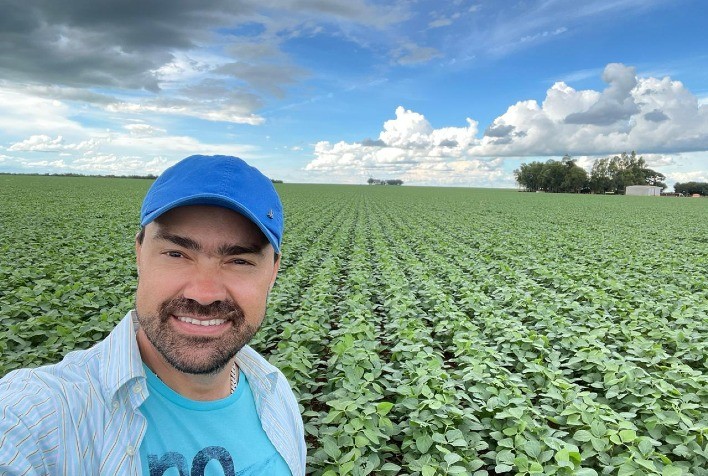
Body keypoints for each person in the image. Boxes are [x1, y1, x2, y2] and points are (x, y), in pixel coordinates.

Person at [0, 155, 306, 475]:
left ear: (273, 272)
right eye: (176, 254)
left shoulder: (274, 391)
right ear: (139, 254)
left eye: (239, 261)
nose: (203, 293)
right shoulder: (43, 414)